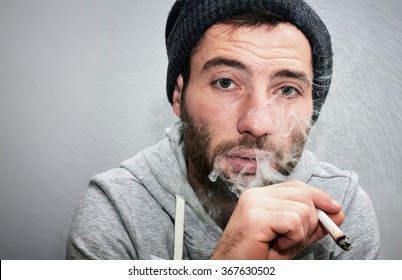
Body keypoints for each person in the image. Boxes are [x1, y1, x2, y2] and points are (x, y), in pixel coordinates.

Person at [66, 0, 380, 260]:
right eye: (225, 82)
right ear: (179, 96)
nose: (257, 125)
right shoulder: (117, 210)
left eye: (287, 90)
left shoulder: (343, 207)